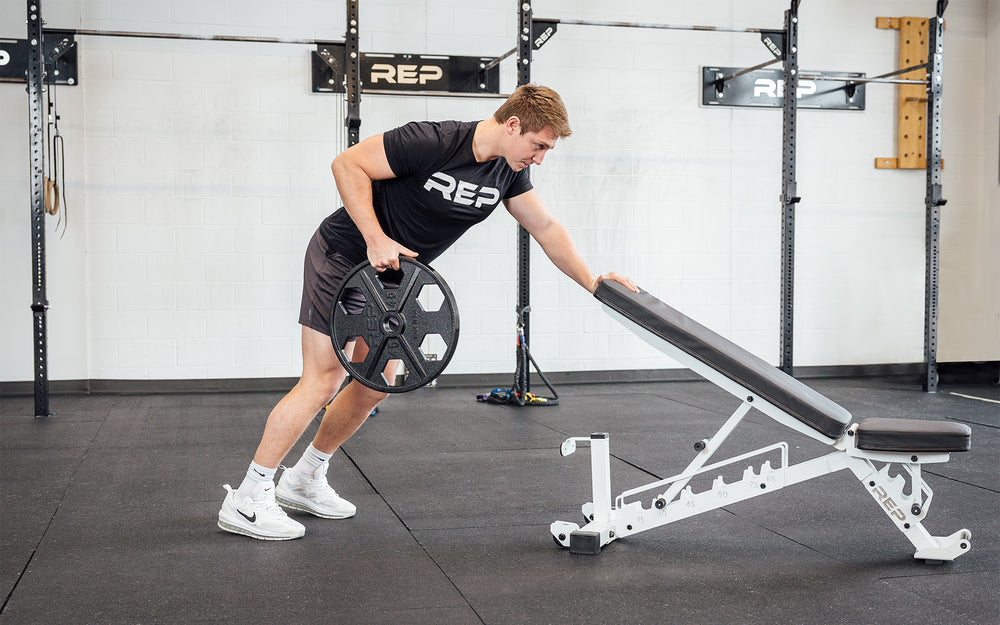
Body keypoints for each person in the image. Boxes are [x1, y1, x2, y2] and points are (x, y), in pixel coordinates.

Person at [218, 84, 638, 540]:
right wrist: (375, 236)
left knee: (374, 385)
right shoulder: (434, 140)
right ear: (513, 125)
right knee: (323, 378)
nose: (539, 158)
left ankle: (303, 479)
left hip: (393, 282)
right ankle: (249, 496)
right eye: (538, 146)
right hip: (342, 257)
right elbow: (347, 163)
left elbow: (547, 228)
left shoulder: (507, 174)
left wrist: (593, 282)